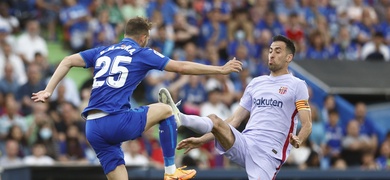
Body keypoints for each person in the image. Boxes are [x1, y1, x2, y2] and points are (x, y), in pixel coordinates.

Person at [31, 17, 242, 180]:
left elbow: (67, 60)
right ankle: (171, 171)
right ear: (143, 38)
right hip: (115, 120)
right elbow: (181, 66)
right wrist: (220, 69)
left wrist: (48, 90)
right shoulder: (142, 52)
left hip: (93, 128)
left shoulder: (103, 50)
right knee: (167, 110)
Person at [159, 35, 312, 180]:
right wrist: (202, 140)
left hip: (268, 154)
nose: (271, 54)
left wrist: (299, 139)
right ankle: (180, 118)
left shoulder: (297, 85)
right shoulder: (256, 83)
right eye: (270, 50)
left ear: (289, 58)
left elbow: (307, 124)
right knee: (215, 120)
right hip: (245, 142)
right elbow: (234, 120)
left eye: (278, 51)